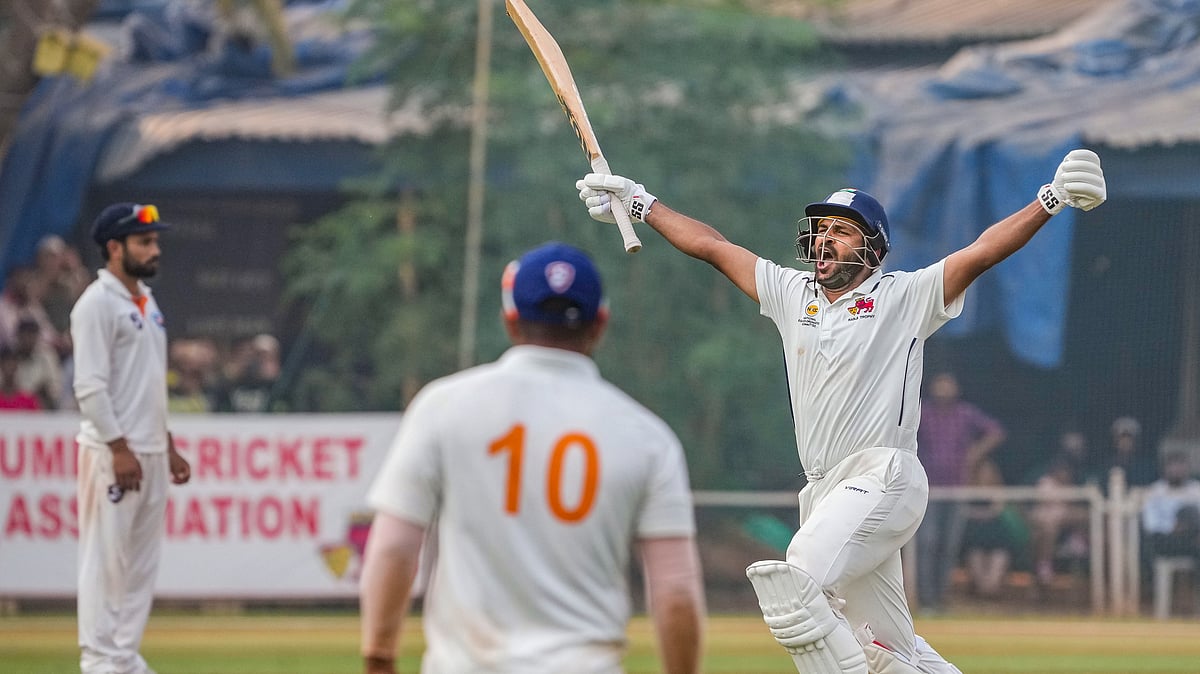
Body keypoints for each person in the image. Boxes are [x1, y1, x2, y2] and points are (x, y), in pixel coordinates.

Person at [576, 148, 1105, 673]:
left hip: (882, 475)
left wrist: (1050, 199)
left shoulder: (905, 296)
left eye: (842, 230)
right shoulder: (792, 294)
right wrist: (642, 203)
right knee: (889, 651)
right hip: (825, 491)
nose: (824, 237)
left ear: (872, 248)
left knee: (797, 581)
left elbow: (982, 251)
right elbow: (714, 247)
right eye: (821, 228)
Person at [359, 242, 705, 674]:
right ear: (600, 323)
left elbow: (393, 549)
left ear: (510, 319)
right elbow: (676, 592)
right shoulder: (648, 437)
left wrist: (379, 656)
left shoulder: (443, 406)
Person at [71, 202, 191, 674]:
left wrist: (167, 444)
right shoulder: (96, 304)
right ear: (115, 248)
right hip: (113, 451)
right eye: (144, 242)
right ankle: (99, 659)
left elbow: (146, 384)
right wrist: (118, 447)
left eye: (155, 241)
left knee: (141, 563)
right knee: (106, 559)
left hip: (150, 450)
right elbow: (90, 387)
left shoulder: (146, 302)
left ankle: (123, 655)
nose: (155, 249)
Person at [914, 370, 1006, 613]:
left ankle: (941, 598)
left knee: (949, 545)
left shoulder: (965, 414)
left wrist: (975, 452)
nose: (944, 390)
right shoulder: (922, 412)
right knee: (927, 542)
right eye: (940, 385)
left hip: (957, 488)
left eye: (948, 385)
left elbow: (995, 431)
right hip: (928, 489)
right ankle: (925, 599)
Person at [1141, 451, 1200, 571]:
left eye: (1181, 467)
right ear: (1165, 470)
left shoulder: (1196, 489)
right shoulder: (1155, 492)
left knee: (1190, 512)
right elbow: (1150, 524)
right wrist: (1173, 527)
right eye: (1173, 467)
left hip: (1192, 535)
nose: (1177, 471)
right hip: (1167, 538)